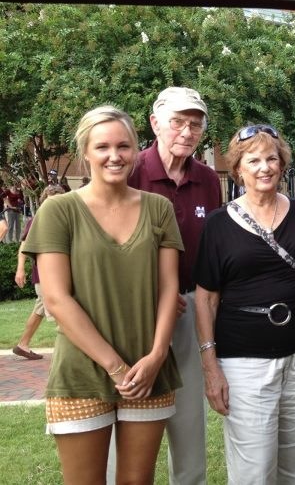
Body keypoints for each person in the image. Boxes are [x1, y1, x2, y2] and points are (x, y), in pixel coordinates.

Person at [21, 105, 183, 483]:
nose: (115, 156)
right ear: (86, 153)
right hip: (81, 373)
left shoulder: (159, 209)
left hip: (149, 371)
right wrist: (116, 367)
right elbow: (58, 299)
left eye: (124, 146)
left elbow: (169, 288)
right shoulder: (59, 211)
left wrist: (157, 355)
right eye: (103, 147)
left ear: (135, 149)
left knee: (136, 481)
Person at [195, 124, 295, 484]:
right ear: (237, 169)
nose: (264, 167)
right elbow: (205, 300)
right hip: (244, 362)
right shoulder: (219, 224)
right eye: (253, 160)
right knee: (254, 468)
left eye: (272, 158)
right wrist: (210, 368)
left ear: (282, 165)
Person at [107, 86, 222, 485]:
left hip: (189, 309)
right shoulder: (129, 171)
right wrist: (153, 292)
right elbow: (106, 247)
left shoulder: (208, 179)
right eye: (178, 122)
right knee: (128, 405)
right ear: (155, 123)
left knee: (188, 417)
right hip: (134, 311)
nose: (187, 132)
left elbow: (210, 250)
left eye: (195, 124)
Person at [12, 184, 66, 360]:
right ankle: (68, 354)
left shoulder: (63, 219)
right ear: (44, 202)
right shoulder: (37, 220)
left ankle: (23, 344)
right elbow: (24, 246)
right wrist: (20, 269)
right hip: (45, 277)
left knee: (40, 309)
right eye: (52, 201)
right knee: (62, 314)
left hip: (58, 275)